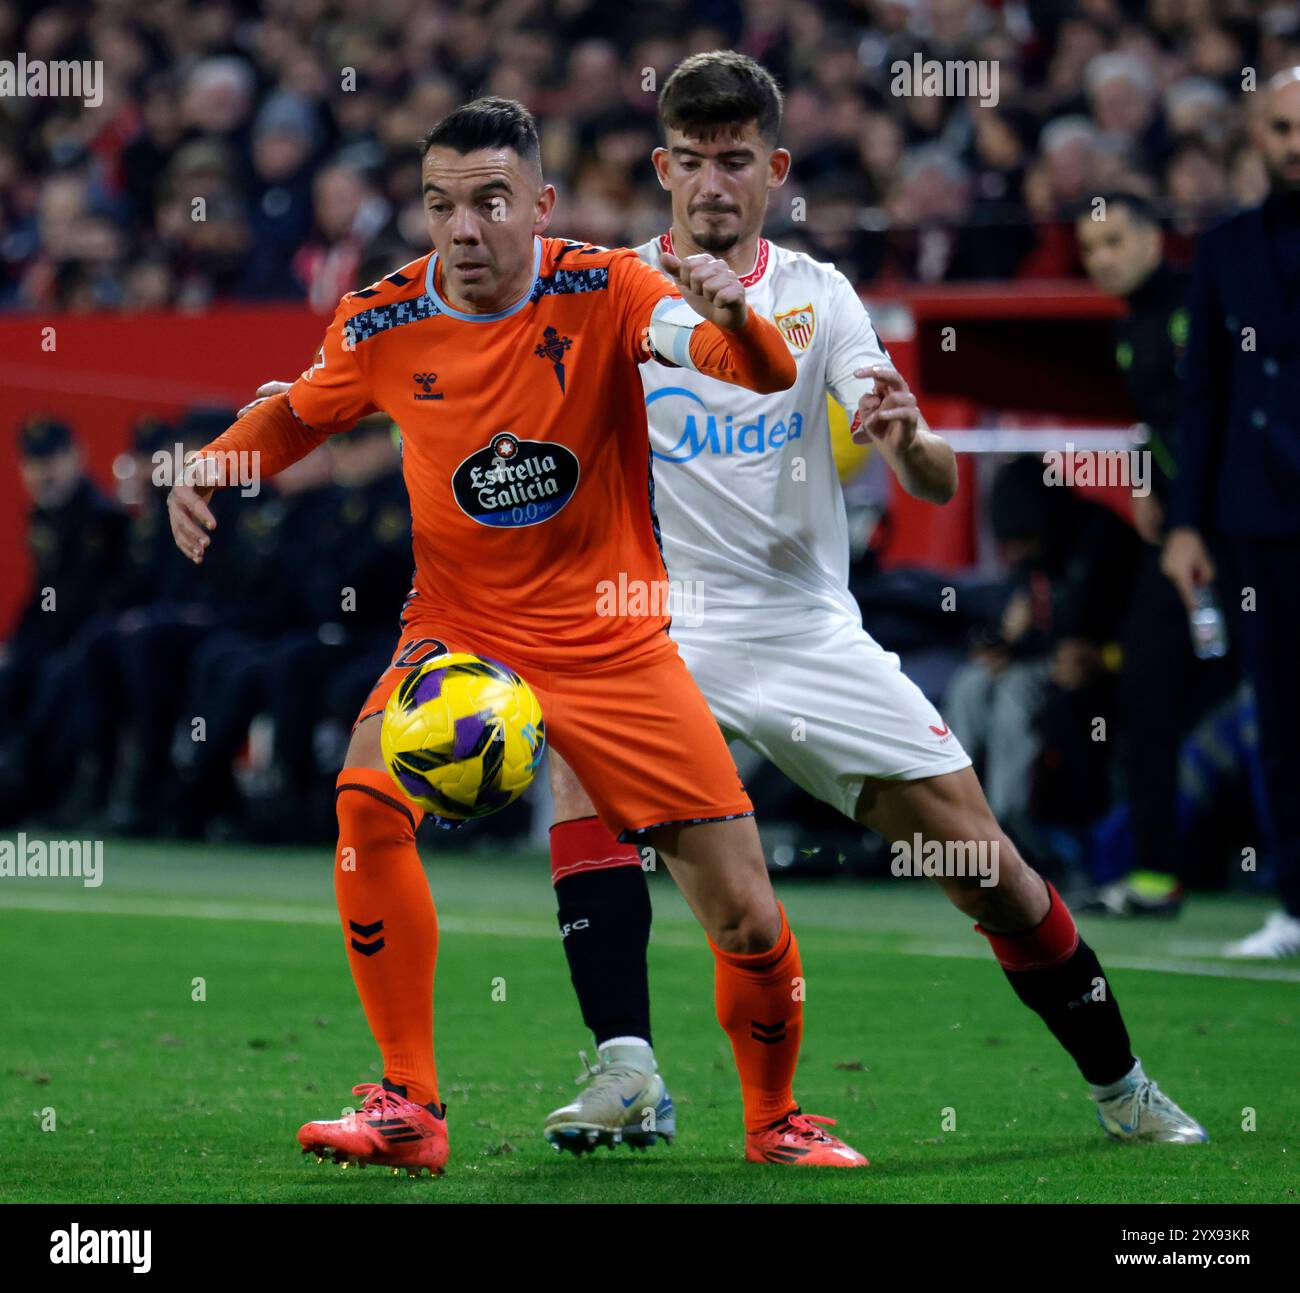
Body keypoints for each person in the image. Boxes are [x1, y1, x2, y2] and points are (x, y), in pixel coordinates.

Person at [167, 95, 871, 1176]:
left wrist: (732, 314)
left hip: (615, 636)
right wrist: (216, 462)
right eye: (441, 204)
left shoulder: (612, 287)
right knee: (366, 799)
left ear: (538, 206)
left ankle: (774, 1118)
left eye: (490, 201)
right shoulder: (381, 319)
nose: (462, 228)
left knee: (739, 912)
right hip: (460, 632)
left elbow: (760, 374)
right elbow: (302, 410)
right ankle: (409, 1104)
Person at [1161, 68, 1300, 959]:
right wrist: (1184, 524)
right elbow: (1202, 396)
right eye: (1281, 127)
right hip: (1258, 515)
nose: (1294, 143)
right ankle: (1294, 904)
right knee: (1281, 713)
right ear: (1257, 136)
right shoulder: (1224, 249)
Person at [1075, 192, 1235, 916]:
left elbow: (1218, 418)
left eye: (1113, 241)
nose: (1101, 258)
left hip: (1228, 532)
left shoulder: (1196, 308)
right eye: (1090, 248)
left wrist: (1195, 524)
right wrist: (1143, 479)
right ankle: (1154, 869)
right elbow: (1159, 422)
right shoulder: (1130, 330)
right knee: (1145, 688)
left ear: (1152, 239)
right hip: (1180, 540)